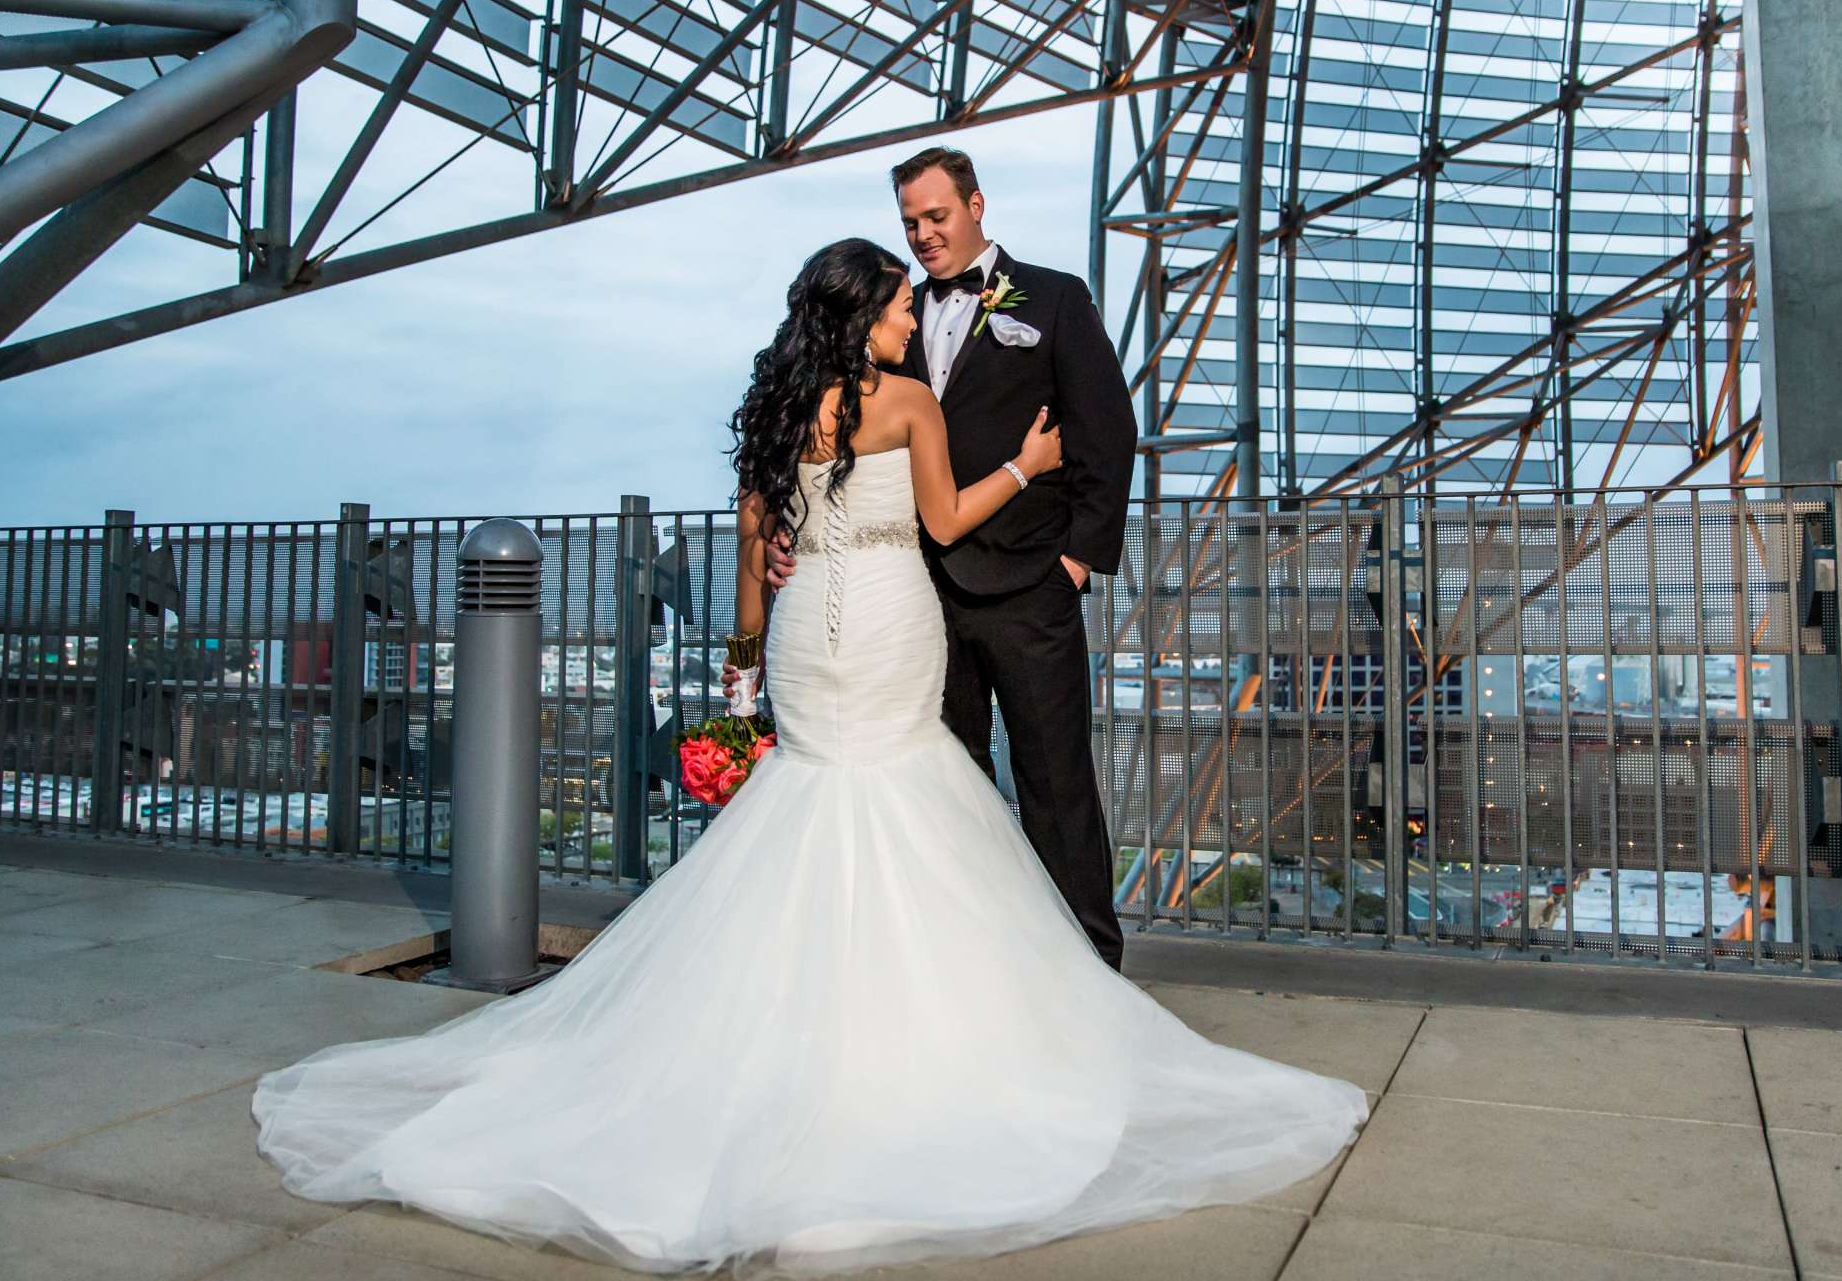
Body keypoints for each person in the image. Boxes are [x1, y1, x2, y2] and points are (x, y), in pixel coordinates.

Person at [248, 237, 1367, 1276]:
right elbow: (943, 522)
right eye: (891, 304)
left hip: (800, 640)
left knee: (809, 807)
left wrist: (742, 682)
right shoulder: (910, 403)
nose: (904, 317)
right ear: (863, 315)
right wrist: (1027, 467)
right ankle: (913, 1055)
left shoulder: (776, 414)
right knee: (909, 802)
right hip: (886, 621)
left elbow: (752, 561)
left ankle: (778, 1050)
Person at [740, 145, 1136, 969]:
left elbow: (1106, 432)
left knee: (1054, 790)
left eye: (936, 216)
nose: (923, 235)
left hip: (1030, 590)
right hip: (916, 604)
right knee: (943, 802)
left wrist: (1076, 563)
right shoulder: (889, 315)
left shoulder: (1057, 300)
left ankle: (1091, 968)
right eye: (909, 222)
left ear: (976, 205)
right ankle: (976, 967)